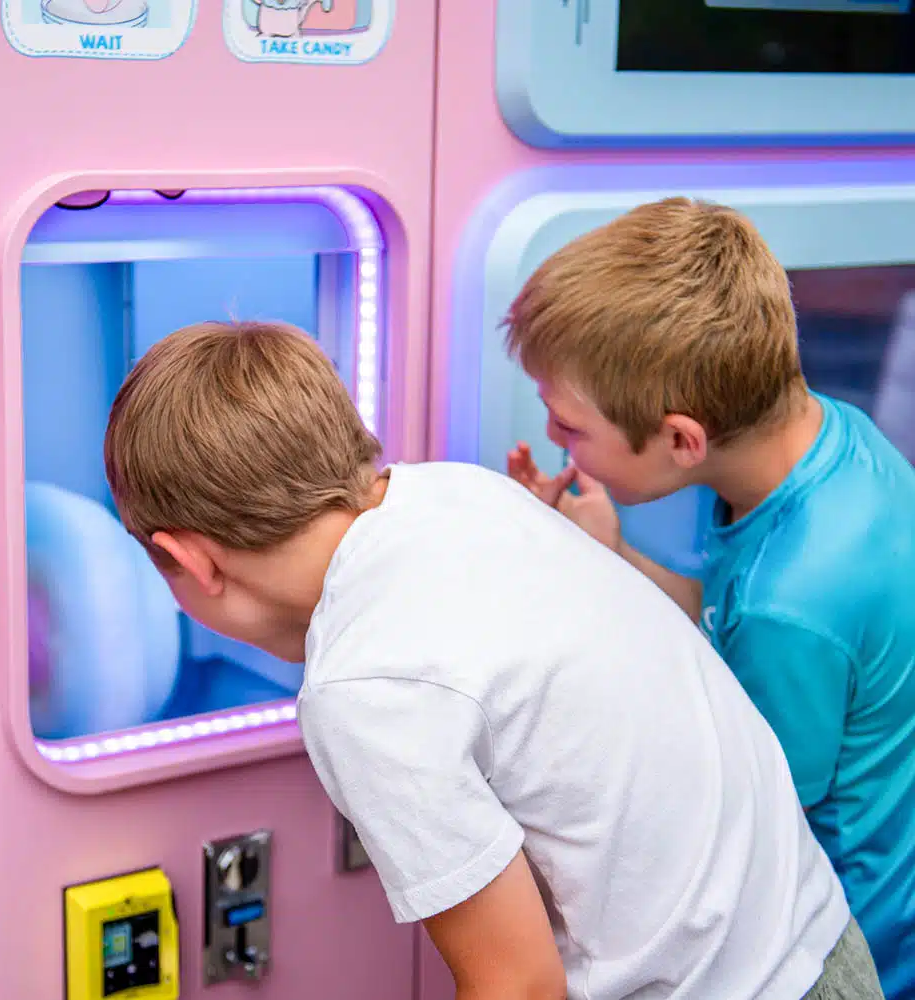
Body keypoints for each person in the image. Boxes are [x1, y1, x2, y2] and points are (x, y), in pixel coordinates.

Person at [105, 319, 866, 1000]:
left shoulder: (365, 689)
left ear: (190, 561)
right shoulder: (454, 493)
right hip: (816, 938)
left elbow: (520, 987)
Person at [505, 196, 913, 1000]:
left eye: (572, 428)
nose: (555, 440)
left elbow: (746, 819)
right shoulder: (824, 439)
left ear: (682, 440)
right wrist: (616, 552)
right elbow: (725, 610)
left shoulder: (792, 602)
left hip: (834, 952)